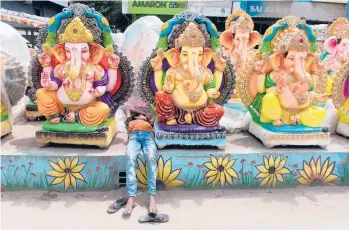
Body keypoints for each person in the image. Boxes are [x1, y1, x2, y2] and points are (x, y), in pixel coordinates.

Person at [123, 107, 158, 215]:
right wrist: (141, 113)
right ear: (136, 116)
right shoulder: (131, 121)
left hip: (148, 137)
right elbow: (127, 108)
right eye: (143, 115)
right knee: (129, 158)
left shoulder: (150, 123)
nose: (145, 116)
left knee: (151, 158)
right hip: (134, 137)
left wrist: (147, 117)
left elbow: (155, 113)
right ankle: (131, 198)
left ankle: (152, 197)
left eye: (146, 116)